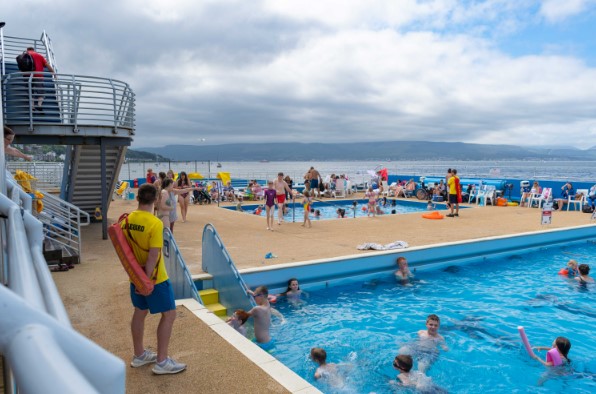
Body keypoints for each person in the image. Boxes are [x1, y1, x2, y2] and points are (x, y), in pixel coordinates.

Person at [124, 184, 187, 374]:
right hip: (155, 278)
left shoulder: (126, 221)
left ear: (138, 198)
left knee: (139, 312)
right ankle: (162, 362)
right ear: (157, 199)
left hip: (134, 277)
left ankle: (139, 355)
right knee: (169, 314)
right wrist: (147, 280)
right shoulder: (155, 223)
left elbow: (124, 251)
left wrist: (138, 279)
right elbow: (153, 255)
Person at [246, 286, 279, 351]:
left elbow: (243, 316)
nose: (254, 299)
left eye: (254, 297)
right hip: (268, 341)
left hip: (262, 344)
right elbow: (261, 296)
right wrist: (252, 293)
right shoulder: (267, 304)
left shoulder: (257, 309)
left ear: (261, 295)